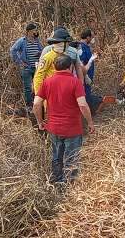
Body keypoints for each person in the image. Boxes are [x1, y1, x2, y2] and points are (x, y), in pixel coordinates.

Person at [32, 55, 94, 184]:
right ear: (70, 67)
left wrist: (39, 122)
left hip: (53, 128)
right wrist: (90, 123)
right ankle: (68, 186)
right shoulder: (75, 82)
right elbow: (82, 105)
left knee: (56, 156)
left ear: (54, 67)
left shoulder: (47, 82)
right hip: (72, 128)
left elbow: (36, 104)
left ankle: (56, 180)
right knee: (71, 158)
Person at [34, 27, 85, 94]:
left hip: (66, 90)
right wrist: (39, 94)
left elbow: (77, 69)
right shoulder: (48, 55)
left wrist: (81, 86)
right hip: (51, 92)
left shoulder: (71, 54)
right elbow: (39, 76)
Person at [10, 22, 43, 112]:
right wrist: (19, 61)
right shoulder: (22, 41)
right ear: (28, 31)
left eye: (36, 30)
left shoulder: (37, 40)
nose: (36, 32)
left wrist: (40, 53)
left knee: (37, 86)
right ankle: (29, 105)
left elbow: (42, 51)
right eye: (34, 30)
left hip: (37, 67)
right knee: (28, 87)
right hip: (27, 68)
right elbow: (13, 50)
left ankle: (37, 104)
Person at [78, 29, 102, 112]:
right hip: (84, 78)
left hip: (88, 77)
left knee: (87, 94)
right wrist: (86, 76)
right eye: (92, 37)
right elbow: (80, 64)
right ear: (88, 37)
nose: (93, 39)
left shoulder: (87, 47)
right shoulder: (81, 48)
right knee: (85, 96)